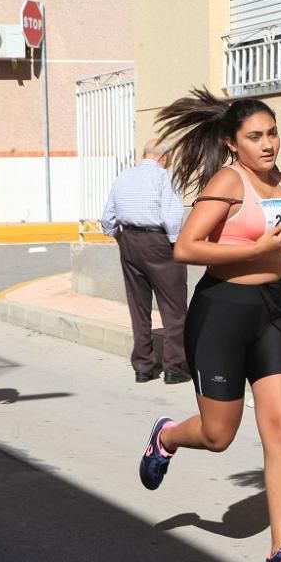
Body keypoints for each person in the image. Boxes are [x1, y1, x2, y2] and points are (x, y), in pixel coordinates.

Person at [137, 88, 281, 562]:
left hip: (272, 314)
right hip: (222, 313)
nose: (268, 144)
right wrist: (254, 250)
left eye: (272, 133)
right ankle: (167, 436)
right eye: (255, 136)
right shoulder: (228, 181)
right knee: (219, 435)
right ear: (232, 143)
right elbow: (187, 249)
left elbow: (280, 244)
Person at [100, 139, 191, 384]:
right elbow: (171, 217)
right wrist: (175, 245)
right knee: (173, 307)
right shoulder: (165, 177)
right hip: (159, 242)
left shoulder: (124, 176)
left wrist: (119, 237)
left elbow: (107, 217)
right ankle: (174, 367)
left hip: (129, 240)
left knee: (138, 306)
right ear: (164, 157)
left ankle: (143, 366)